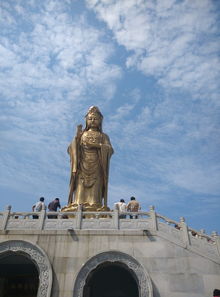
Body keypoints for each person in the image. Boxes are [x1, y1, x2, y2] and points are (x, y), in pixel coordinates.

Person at [66, 106, 114, 212]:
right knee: (80, 186)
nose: (93, 121)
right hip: (82, 164)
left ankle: (95, 205)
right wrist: (77, 138)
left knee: (95, 189)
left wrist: (97, 145)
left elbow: (109, 149)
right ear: (86, 120)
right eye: (90, 119)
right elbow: (71, 149)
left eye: (95, 119)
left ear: (100, 121)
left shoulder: (103, 136)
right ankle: (78, 204)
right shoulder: (82, 134)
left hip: (97, 164)